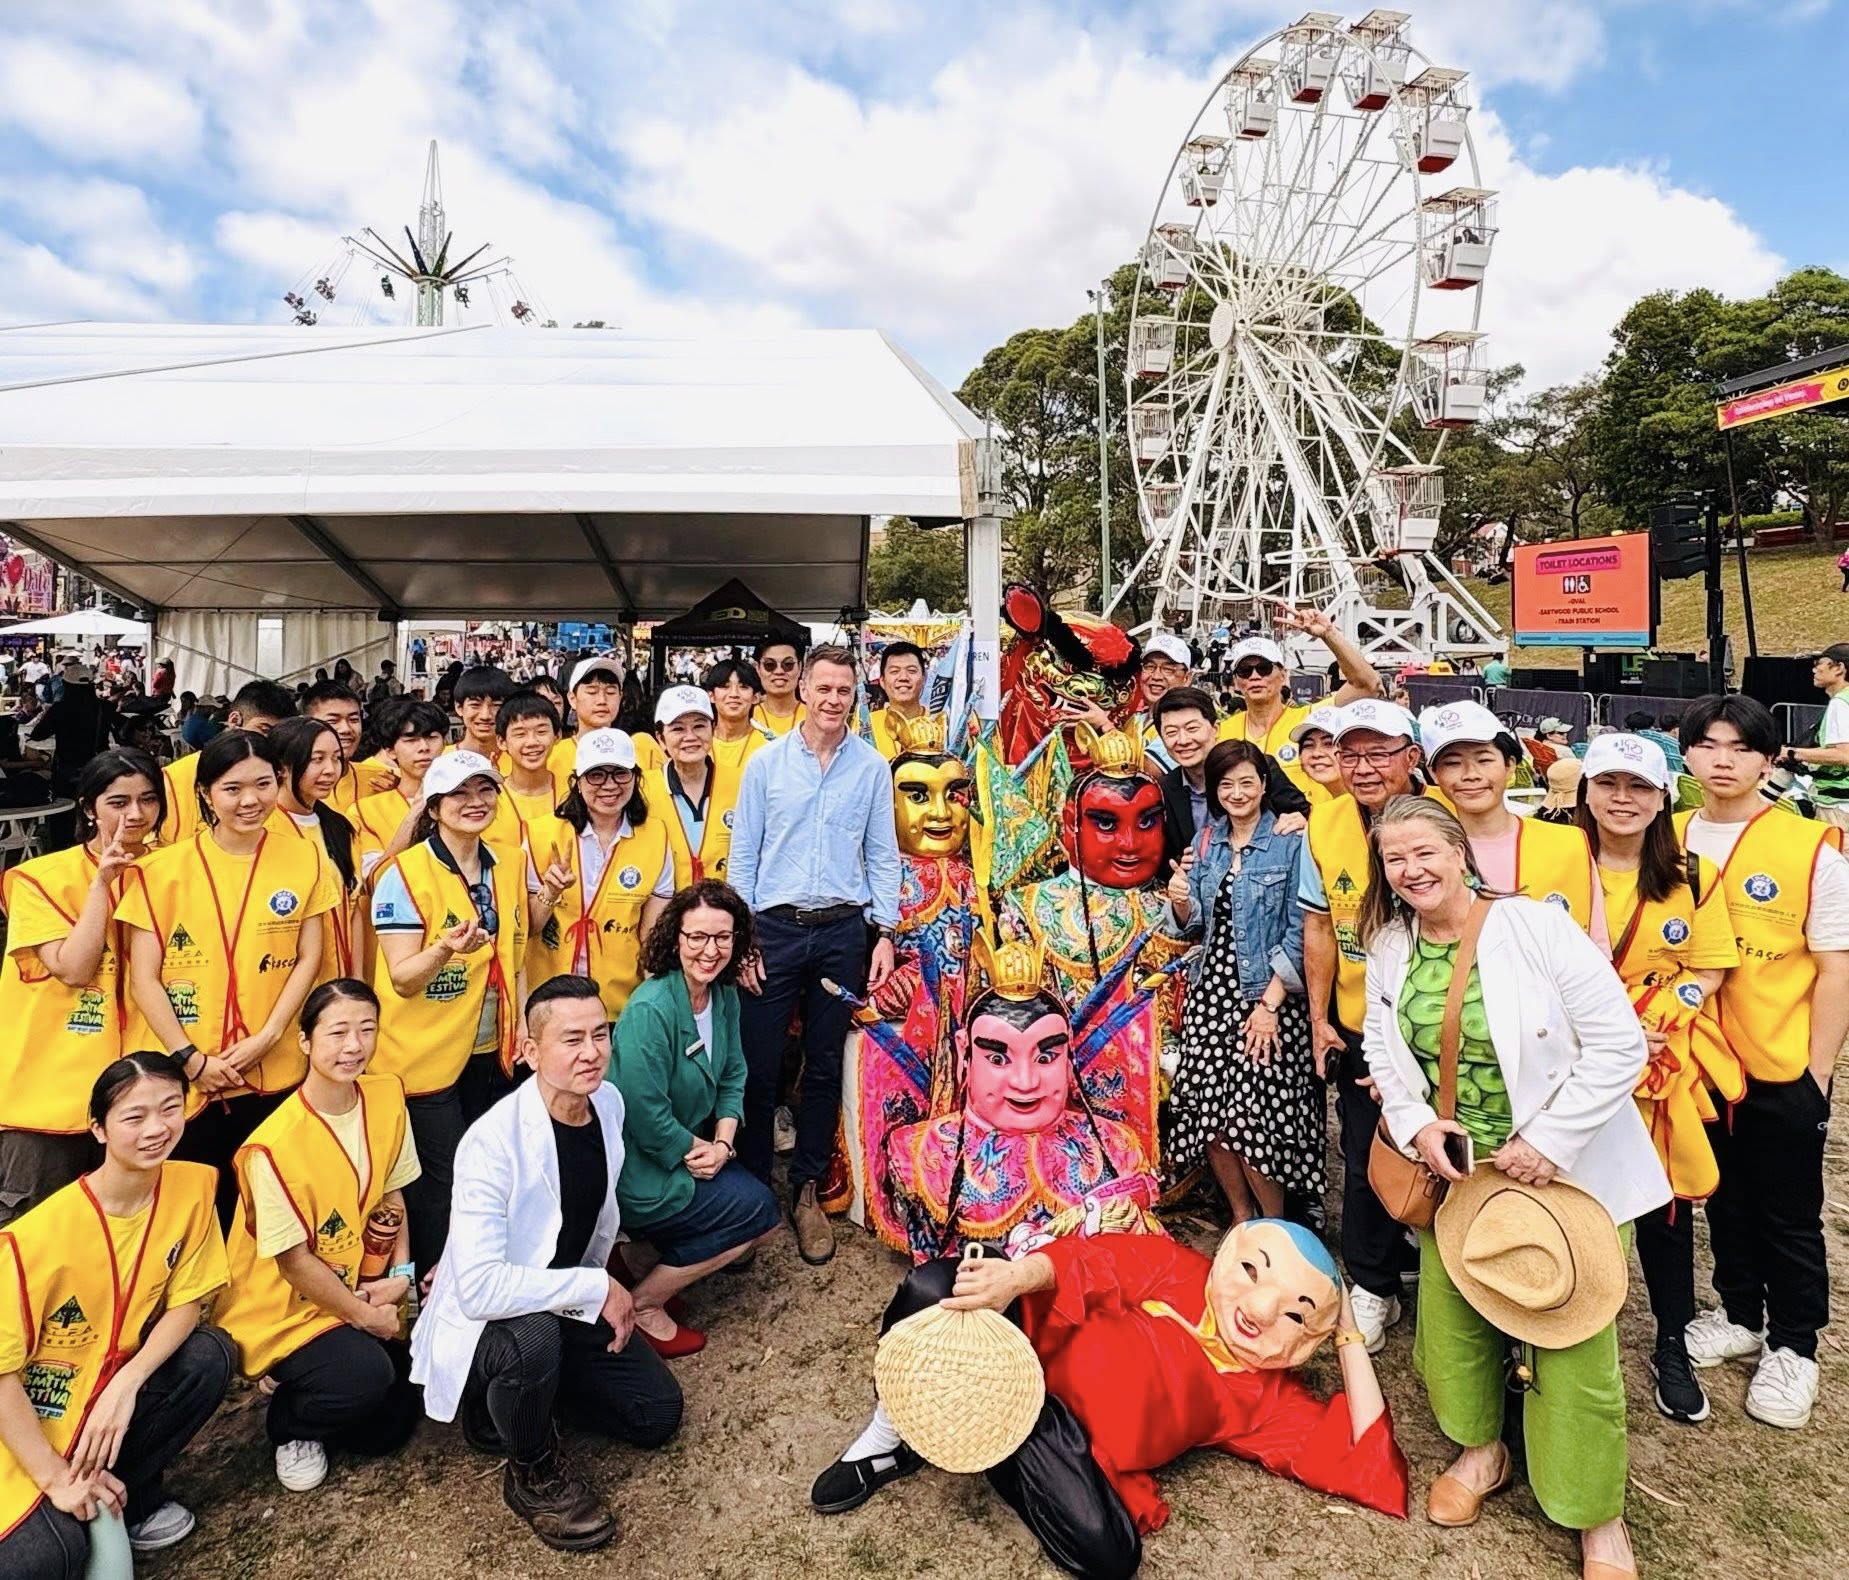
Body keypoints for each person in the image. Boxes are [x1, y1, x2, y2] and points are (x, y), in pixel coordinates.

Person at [1360, 795, 1663, 1579]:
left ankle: (1594, 1511)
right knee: (1455, 1317)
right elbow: (1384, 1053)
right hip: (1458, 1175)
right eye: (1394, 859)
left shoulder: (1534, 927)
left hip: (1563, 1175)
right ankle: (1480, 1451)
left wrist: (1549, 1141)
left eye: (1424, 852)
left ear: (1460, 852)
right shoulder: (1389, 943)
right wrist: (1418, 1124)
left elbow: (1619, 1045)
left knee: (1570, 1335)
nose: (1410, 870)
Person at [812, 1224, 1407, 1574]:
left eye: (1294, 1314)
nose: (1258, 1311)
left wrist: (1348, 1328)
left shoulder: (1272, 1402)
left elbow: (1368, 1462)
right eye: (1252, 1274)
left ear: (1307, 1342)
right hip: (1031, 1342)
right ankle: (891, 1435)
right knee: (933, 1286)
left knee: (1110, 1556)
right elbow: (1096, 1262)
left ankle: (973, 1424)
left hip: (1058, 1434)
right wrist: (1015, 1278)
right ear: (1228, 1256)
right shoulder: (1178, 1268)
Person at [409, 975, 683, 1554]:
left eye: (600, 1034)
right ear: (530, 1051)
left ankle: (519, 1404)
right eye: (571, 1039)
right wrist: (595, 1286)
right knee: (531, 1340)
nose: (591, 1052)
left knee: (656, 1415)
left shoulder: (607, 1102)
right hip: (499, 1316)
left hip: (566, 1297)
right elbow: (481, 1288)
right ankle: (531, 1469)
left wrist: (591, 1286)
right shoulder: (490, 1142)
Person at [1675, 693, 1849, 1430]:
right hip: (1694, 1066)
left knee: (1789, 1214)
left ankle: (1794, 1346)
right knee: (1722, 1197)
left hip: (1780, 1066)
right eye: (1707, 744)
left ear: (1768, 758)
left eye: (1740, 747)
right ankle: (1740, 1312)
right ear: (1684, 753)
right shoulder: (1667, 833)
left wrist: (1816, 1073)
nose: (1722, 759)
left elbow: (1834, 966)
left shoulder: (1809, 846)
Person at [0, 1054, 233, 1573]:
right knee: (47, 1555)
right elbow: (1, 1375)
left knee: (209, 1355)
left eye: (171, 1108)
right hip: (37, 1416)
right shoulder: (31, 1239)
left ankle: (133, 1493)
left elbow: (188, 1300)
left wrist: (128, 1382)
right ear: (98, 1129)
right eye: (134, 1116)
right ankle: (74, 1491)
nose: (157, 1128)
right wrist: (55, 1477)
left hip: (109, 1396)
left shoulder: (191, 1188)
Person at [1574, 732, 1741, 1425]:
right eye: (1608, 784)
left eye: (1638, 787)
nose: (1622, 799)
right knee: (1575, 1202)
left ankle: (1670, 1339)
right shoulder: (1557, 863)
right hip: (1575, 1057)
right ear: (1584, 792)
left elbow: (1709, 967)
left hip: (1657, 1059)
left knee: (1662, 1212)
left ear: (1663, 798)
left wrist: (1671, 1007)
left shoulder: (1690, 873)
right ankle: (1568, 1332)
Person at [118, 731, 339, 1218]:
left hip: (275, 1067)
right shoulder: (159, 871)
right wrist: (190, 1059)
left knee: (266, 1209)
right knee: (187, 1209)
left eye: (263, 784)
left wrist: (269, 1036)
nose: (250, 800)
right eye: (232, 788)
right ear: (205, 794)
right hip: (185, 1078)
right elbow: (145, 979)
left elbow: (309, 958)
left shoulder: (305, 858)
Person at [729, 644, 900, 1265]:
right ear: (801, 689)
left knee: (824, 1065)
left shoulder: (871, 768)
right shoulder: (766, 765)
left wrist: (885, 933)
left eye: (844, 691)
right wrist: (741, 939)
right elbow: (743, 853)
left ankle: (805, 1190)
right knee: (757, 1065)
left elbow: (883, 855)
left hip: (841, 933)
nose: (833, 701)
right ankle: (747, 1200)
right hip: (772, 929)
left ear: (857, 696)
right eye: (823, 688)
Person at [216, 980, 421, 1492]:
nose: (354, 1046)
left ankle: (322, 1375)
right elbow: (293, 1263)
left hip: (362, 1281)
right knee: (367, 1378)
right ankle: (290, 1423)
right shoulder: (272, 1147)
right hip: (285, 1303)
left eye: (366, 1030)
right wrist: (367, 1317)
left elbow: (394, 1197)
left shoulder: (387, 1094)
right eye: (337, 1032)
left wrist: (400, 1277)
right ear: (305, 1041)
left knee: (389, 1423)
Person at [1297, 697, 1428, 1351]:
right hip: (1357, 1022)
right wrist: (1321, 1019)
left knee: (1442, 1153)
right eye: (1350, 752)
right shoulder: (1323, 823)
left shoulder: (1449, 820)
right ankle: (1373, 1284)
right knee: (1364, 1154)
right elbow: (1317, 923)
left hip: (1437, 1027)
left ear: (1412, 756)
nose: (1363, 766)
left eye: (1379, 752)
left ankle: (1444, 1277)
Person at [371, 750, 532, 1275]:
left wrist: (523, 1028)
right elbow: (401, 977)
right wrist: (444, 949)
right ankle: (433, 1288)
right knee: (441, 1181)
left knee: (488, 1170)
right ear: (434, 806)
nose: (475, 803)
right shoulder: (404, 873)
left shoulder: (506, 862)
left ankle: (481, 1273)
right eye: (459, 794)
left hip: (491, 1050)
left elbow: (516, 955)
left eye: (485, 790)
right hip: (423, 1059)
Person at [609, 884, 781, 1356]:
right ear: (675, 938)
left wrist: (723, 1142)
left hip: (698, 1150)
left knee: (756, 1215)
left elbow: (733, 1073)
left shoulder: (721, 996)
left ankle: (638, 1259)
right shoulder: (650, 1009)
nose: (711, 951)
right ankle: (643, 1303)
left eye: (723, 938)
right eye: (698, 937)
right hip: (643, 1167)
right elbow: (645, 1115)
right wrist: (695, 1152)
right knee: (759, 1215)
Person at [0, 750, 165, 1225]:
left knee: (127, 1236)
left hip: (142, 1097)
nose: (135, 814)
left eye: (148, 800)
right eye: (118, 802)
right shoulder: (39, 878)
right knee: (37, 1241)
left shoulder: (174, 871)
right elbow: (73, 968)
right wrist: (101, 887)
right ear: (89, 807)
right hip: (49, 1102)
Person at [1166, 741, 1313, 1222]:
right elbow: (1193, 927)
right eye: (1226, 783)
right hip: (1210, 995)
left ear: (1265, 784)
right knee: (1212, 1119)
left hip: (1266, 999)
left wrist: (1269, 1006)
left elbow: (1301, 931)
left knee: (1256, 1122)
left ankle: (1274, 1226)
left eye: (1247, 781)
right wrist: (1180, 899)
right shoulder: (1208, 841)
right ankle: (1241, 1218)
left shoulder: (1292, 842)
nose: (1237, 792)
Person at [1416, 701, 1610, 951]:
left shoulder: (1568, 843)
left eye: (1484, 760)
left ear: (1510, 765)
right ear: (1433, 773)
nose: (1471, 774)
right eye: (1452, 763)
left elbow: (1596, 946)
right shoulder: (1422, 854)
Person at [526, 730, 674, 1025]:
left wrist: (656, 1006)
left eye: (620, 774)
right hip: (550, 998)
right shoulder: (540, 835)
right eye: (596, 775)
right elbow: (529, 927)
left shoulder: (656, 836)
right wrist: (550, 892)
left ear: (635, 777)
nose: (609, 785)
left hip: (620, 1002)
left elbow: (650, 935)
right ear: (577, 782)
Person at [1218, 608, 1382, 801]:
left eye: (1264, 668)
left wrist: (1329, 634)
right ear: (1236, 681)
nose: (1255, 676)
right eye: (1245, 671)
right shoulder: (1221, 732)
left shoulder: (1313, 719)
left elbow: (1369, 685)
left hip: (1314, 827)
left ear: (1283, 675)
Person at [1155, 686, 1307, 862]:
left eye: (1192, 728)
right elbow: (1166, 857)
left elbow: (1302, 815)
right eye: (1171, 732)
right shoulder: (1164, 789)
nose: (1183, 740)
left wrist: (1299, 821)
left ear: (1216, 729)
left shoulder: (1258, 767)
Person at [266, 717, 363, 982]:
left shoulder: (339, 827)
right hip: (282, 984)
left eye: (336, 758)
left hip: (336, 987)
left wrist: (357, 981)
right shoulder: (263, 831)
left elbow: (352, 907)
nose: (330, 770)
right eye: (316, 759)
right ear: (281, 768)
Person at [161, 679, 295, 844]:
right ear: (234, 720)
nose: (273, 742)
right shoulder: (177, 777)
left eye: (279, 735)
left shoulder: (283, 777)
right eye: (265, 730)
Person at [652, 684, 741, 887]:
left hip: (727, 911)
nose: (690, 737)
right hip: (665, 911)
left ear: (713, 728)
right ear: (661, 738)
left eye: (699, 726)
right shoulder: (644, 790)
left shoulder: (742, 783)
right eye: (678, 728)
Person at [351, 698, 450, 879]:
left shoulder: (467, 801)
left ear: (445, 742)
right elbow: (373, 879)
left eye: (432, 737)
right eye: (411, 740)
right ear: (390, 750)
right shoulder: (364, 812)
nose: (424, 747)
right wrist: (415, 814)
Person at [1783, 642, 1849, 828]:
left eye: (1819, 663)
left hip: (1837, 805)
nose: (1814, 670)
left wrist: (1791, 753)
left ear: (1839, 668)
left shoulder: (1840, 703)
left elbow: (1844, 755)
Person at [302, 679, 390, 813]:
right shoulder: (286, 784)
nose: (346, 729)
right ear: (306, 723)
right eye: (333, 720)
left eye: (354, 720)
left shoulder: (379, 781)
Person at [27, 662, 110, 802]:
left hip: (66, 768)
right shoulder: (104, 708)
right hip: (98, 766)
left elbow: (38, 734)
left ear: (66, 685)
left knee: (64, 810)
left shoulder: (60, 709)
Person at [496, 690, 571, 818]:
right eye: (520, 734)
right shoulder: (492, 797)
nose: (531, 742)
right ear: (502, 742)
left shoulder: (572, 792)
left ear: (557, 735)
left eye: (541, 731)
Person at [703, 657, 772, 774]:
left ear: (755, 697)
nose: (734, 694)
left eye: (743, 687)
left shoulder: (769, 746)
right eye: (725, 686)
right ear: (711, 696)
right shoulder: (697, 742)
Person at [867, 641, 929, 760]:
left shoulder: (939, 725)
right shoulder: (867, 726)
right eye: (894, 671)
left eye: (911, 671)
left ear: (924, 678)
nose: (903, 678)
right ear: (882, 681)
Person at [450, 665, 516, 760]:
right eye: (475, 705)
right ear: (459, 707)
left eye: (496, 705)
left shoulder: (522, 763)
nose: (485, 715)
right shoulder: (438, 761)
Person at [751, 637, 807, 739]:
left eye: (788, 664)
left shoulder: (814, 717)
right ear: (757, 668)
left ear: (800, 667)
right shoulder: (746, 716)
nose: (779, 671)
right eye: (769, 665)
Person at [1288, 705, 1344, 799]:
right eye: (1308, 745)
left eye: (1328, 743)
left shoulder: (1370, 804)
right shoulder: (1330, 808)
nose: (1317, 754)